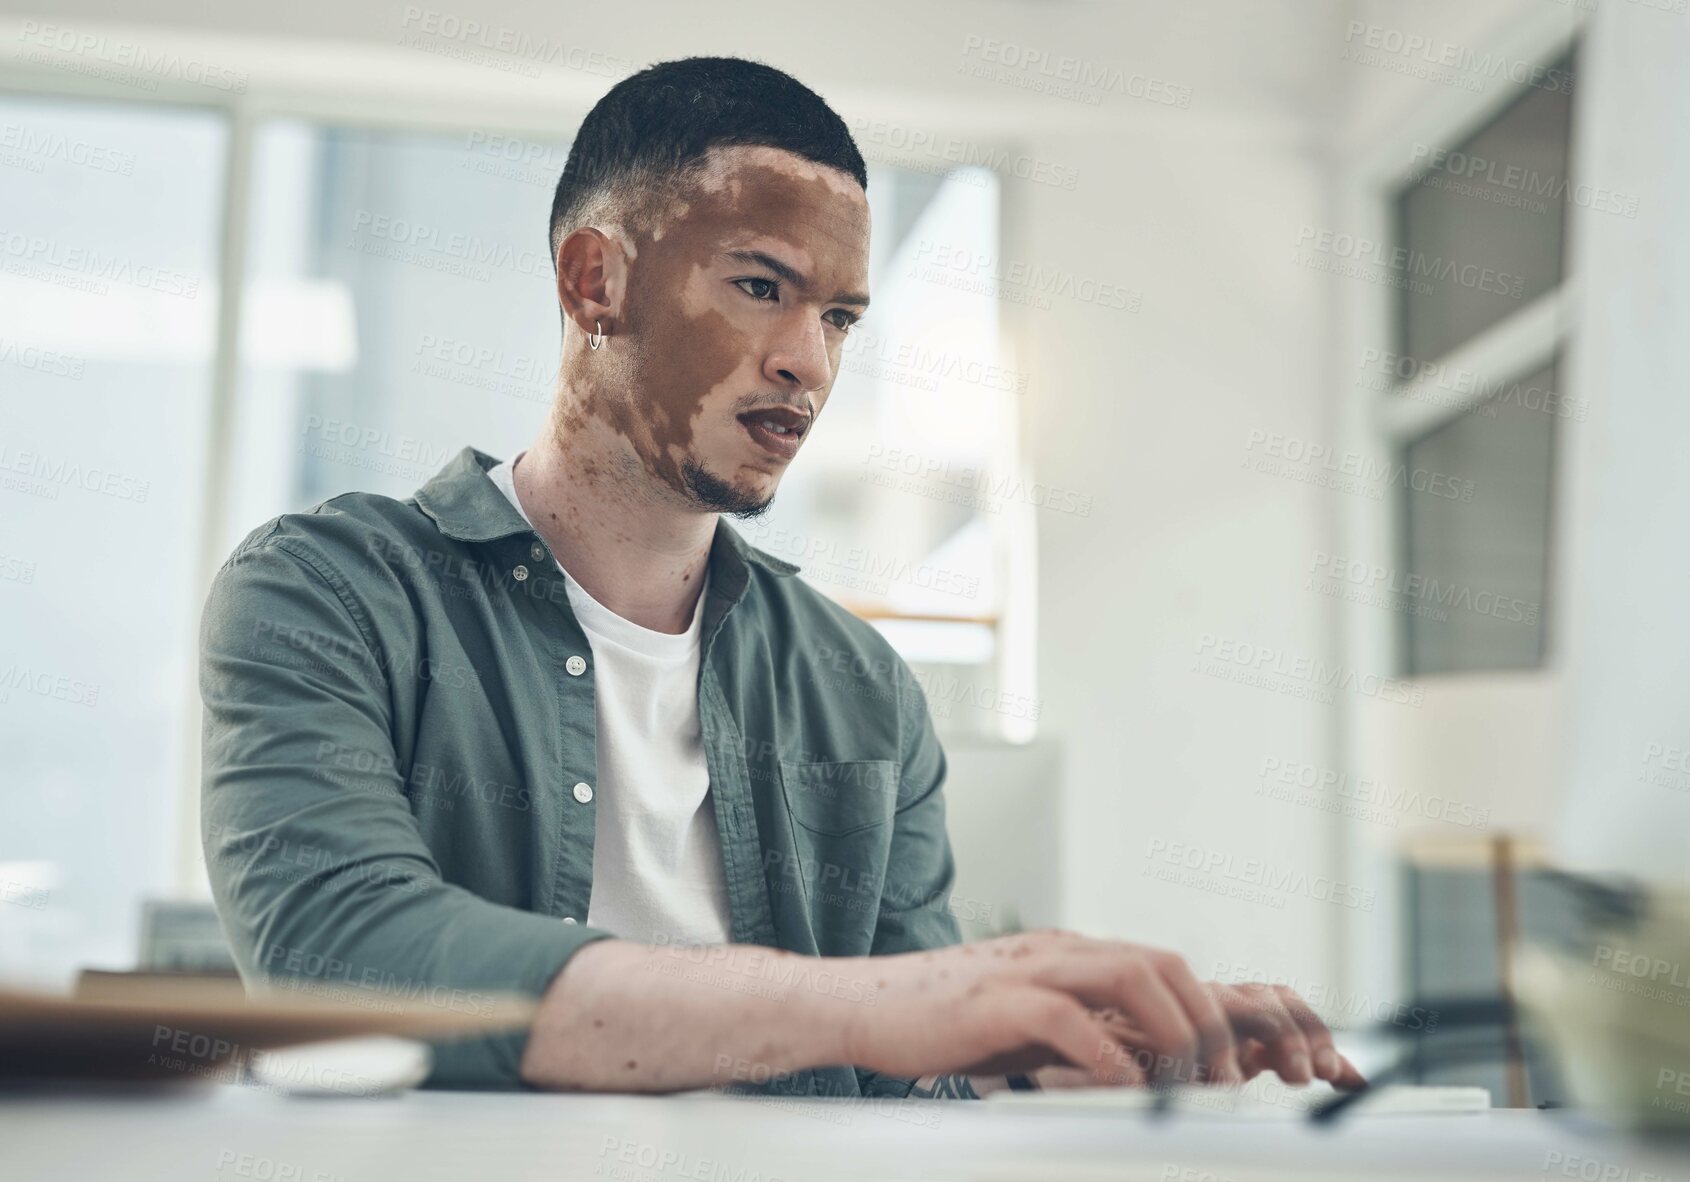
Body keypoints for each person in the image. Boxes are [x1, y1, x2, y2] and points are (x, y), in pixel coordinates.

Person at [200, 54, 1364, 1099]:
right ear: (592, 280)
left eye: (841, 318)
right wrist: (880, 1008)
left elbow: (912, 1072)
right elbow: (343, 957)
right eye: (761, 286)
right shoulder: (328, 593)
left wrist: (1073, 1049)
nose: (806, 361)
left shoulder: (861, 685)